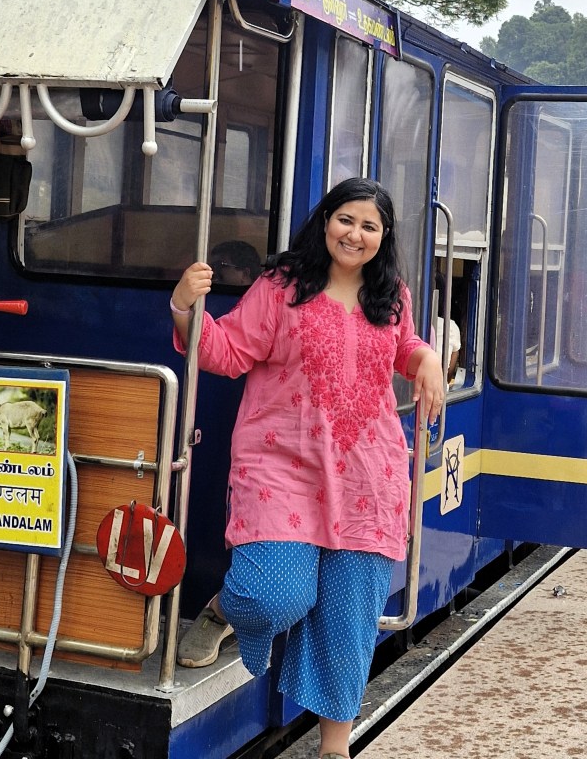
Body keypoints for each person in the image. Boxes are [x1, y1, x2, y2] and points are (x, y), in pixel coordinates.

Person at [170, 178, 445, 759]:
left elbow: (405, 345)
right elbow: (227, 352)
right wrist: (184, 307)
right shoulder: (282, 287)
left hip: (368, 475)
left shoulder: (391, 293)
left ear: (383, 236)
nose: (356, 234)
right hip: (281, 465)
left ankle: (333, 748)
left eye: (370, 226)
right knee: (273, 594)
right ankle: (223, 607)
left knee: (348, 619)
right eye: (347, 219)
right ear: (326, 222)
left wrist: (426, 360)